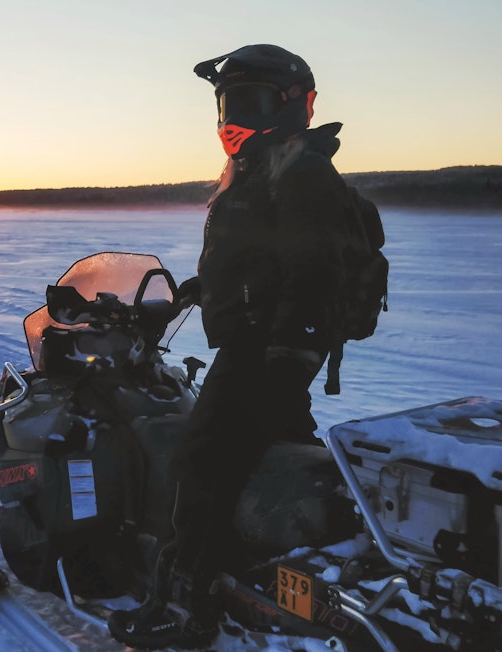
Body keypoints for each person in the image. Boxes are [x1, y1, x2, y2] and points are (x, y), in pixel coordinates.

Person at [108, 44, 356, 649]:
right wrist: (193, 293)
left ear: (294, 104)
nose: (234, 117)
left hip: (264, 350)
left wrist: (290, 351)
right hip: (267, 345)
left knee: (201, 466)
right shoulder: (263, 166)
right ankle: (283, 575)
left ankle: (186, 609)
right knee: (278, 453)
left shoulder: (300, 170)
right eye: (228, 103)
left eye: (251, 101)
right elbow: (257, 260)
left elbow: (314, 265)